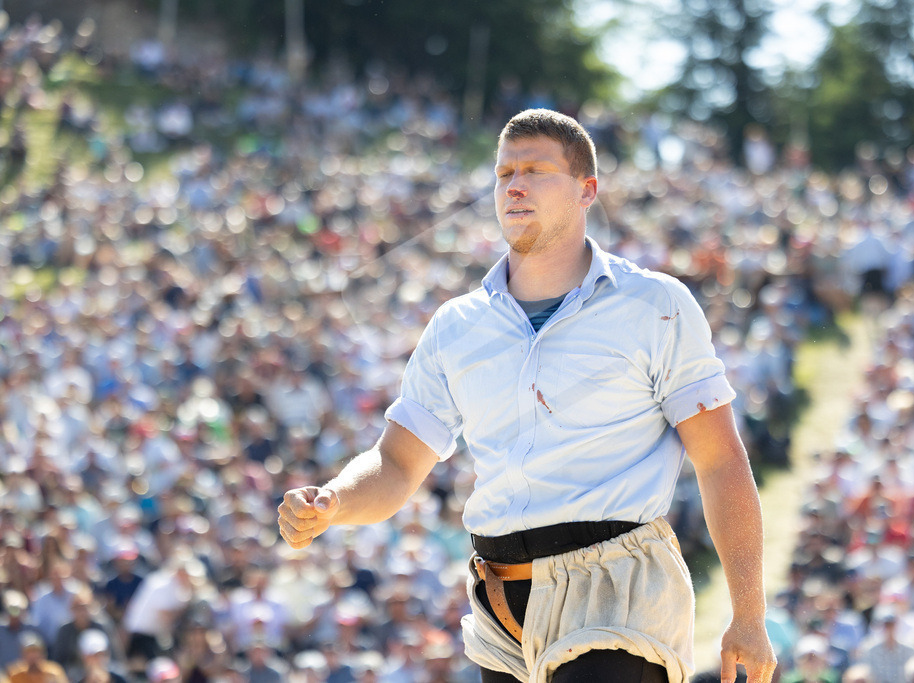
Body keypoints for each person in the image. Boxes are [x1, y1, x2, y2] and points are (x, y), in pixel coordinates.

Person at [278, 108, 776, 683]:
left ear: (586, 190)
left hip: (616, 589)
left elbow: (720, 461)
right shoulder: (455, 325)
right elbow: (395, 465)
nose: (514, 185)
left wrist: (749, 615)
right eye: (503, 172)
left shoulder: (656, 305)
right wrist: (335, 501)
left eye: (536, 170)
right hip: (499, 604)